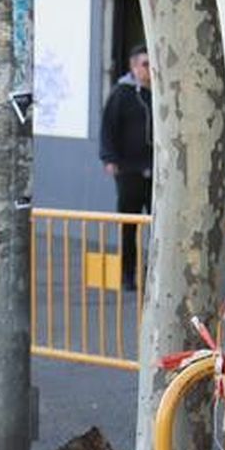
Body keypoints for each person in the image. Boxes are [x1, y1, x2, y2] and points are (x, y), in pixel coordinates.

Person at [99, 45, 153, 291]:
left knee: (159, 226)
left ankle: (153, 274)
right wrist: (109, 159)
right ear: (133, 67)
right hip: (129, 169)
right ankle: (127, 275)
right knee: (129, 227)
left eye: (152, 64)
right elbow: (108, 127)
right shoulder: (121, 93)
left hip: (155, 171)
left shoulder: (160, 94)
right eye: (145, 64)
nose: (149, 70)